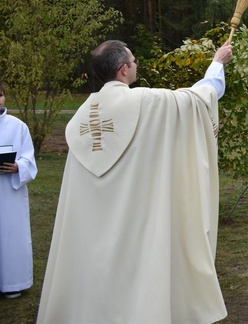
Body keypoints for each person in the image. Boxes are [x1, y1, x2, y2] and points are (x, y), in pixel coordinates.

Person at [37, 39, 233, 324]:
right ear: (122, 69)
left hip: (92, 234)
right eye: (134, 60)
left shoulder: (80, 119)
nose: (136, 64)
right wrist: (217, 63)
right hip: (137, 224)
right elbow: (198, 99)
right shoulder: (146, 102)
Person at [0, 82, 37, 299]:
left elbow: (28, 159)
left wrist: (17, 167)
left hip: (9, 194)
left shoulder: (18, 127)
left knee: (10, 235)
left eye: (1, 95)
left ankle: (13, 282)